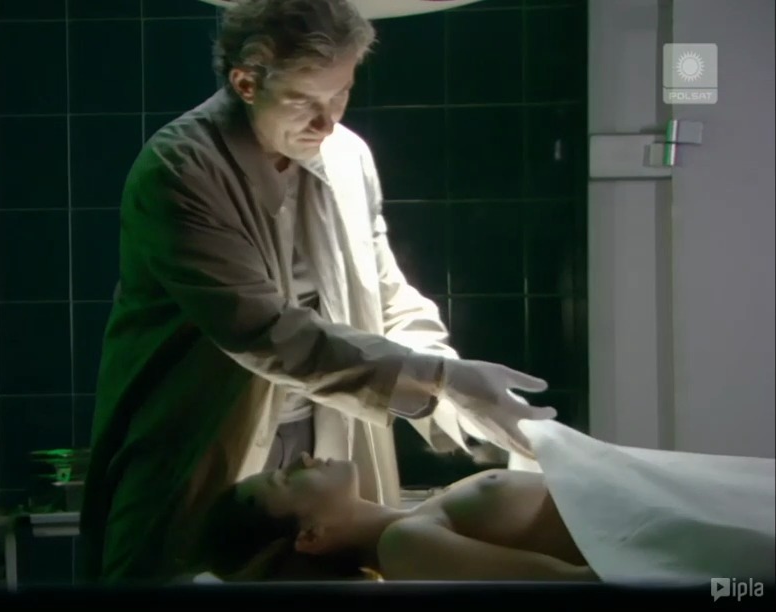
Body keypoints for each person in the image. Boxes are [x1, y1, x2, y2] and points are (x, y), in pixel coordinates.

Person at [79, 0, 557, 584]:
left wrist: (452, 384)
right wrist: (438, 378)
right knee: (177, 578)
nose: (326, 122)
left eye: (341, 94)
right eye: (304, 101)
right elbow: (264, 331)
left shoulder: (347, 156)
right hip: (207, 437)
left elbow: (384, 294)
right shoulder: (181, 167)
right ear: (246, 83)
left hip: (325, 442)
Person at [189, 451, 599, 583]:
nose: (301, 458)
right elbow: (571, 583)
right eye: (284, 479)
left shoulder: (414, 522)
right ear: (310, 536)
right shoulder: (403, 546)